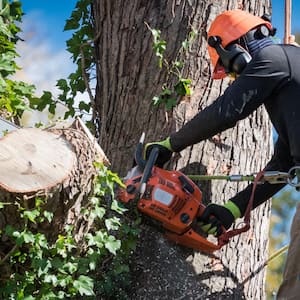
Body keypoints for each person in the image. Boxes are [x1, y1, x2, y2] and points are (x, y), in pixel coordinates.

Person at [144, 9, 300, 299]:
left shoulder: (274, 59)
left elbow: (225, 112)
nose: (233, 78)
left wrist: (169, 145)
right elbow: (284, 165)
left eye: (231, 70)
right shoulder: (290, 72)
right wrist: (233, 209)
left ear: (237, 50)